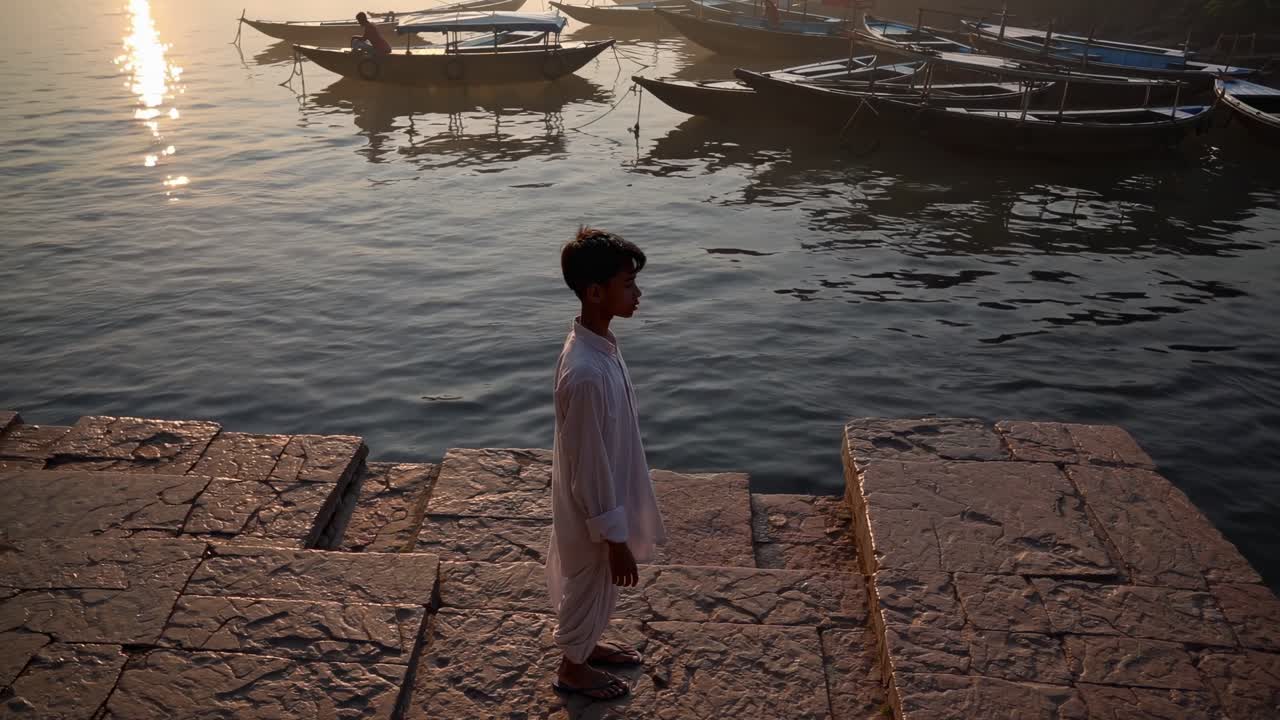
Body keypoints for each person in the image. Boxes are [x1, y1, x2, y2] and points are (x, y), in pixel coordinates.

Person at [547, 228, 667, 701]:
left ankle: (587, 645)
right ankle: (573, 668)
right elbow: (591, 467)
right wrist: (614, 537)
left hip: (607, 496)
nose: (637, 294)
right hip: (595, 506)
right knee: (592, 576)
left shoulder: (599, 347)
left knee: (598, 585)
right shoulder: (586, 374)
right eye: (628, 285)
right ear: (596, 292)